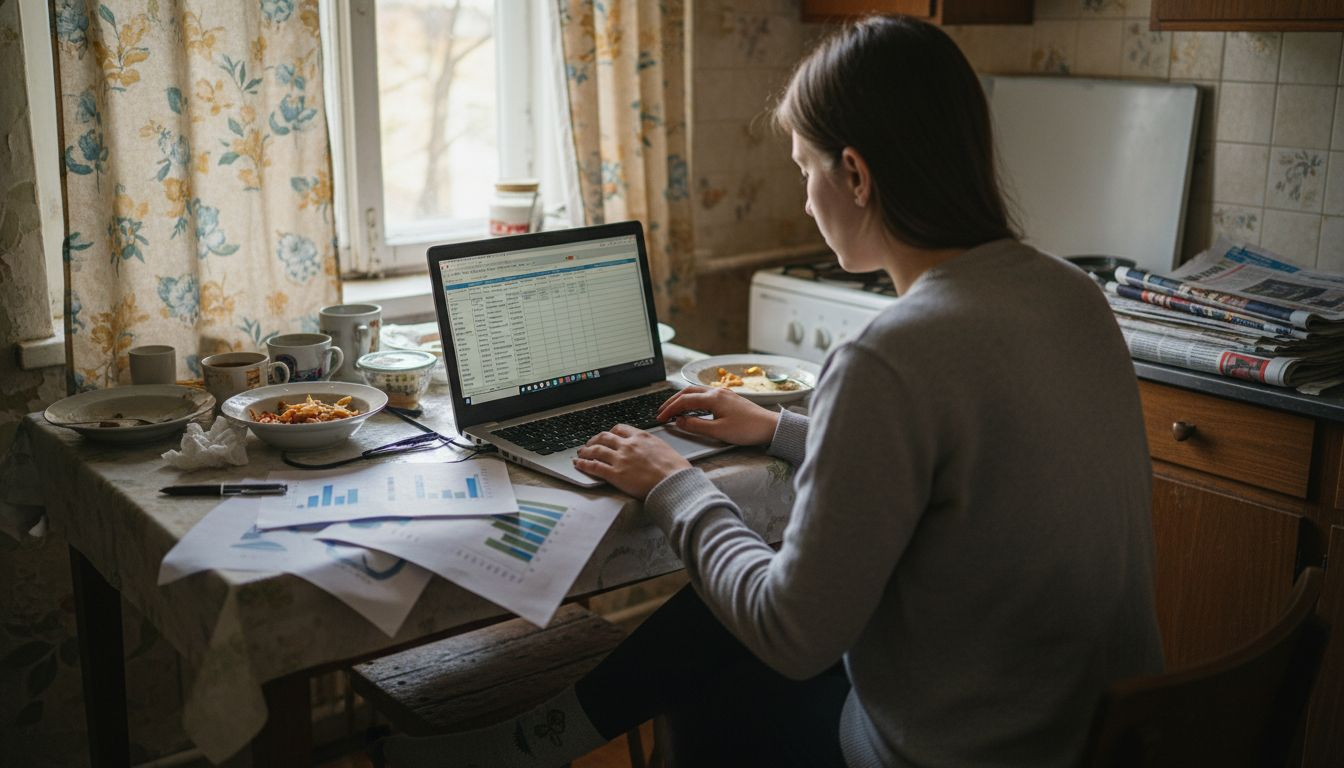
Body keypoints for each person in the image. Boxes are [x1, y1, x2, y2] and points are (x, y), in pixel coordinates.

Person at [382, 14, 1163, 768]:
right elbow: (957, 474)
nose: (803, 198)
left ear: (854, 174)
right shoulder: (1072, 296)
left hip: (956, 752)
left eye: (802, 171)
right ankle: (536, 742)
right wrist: (782, 430)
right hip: (1097, 735)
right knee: (734, 592)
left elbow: (792, 632)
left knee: (727, 633)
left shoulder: (888, 355)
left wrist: (677, 485)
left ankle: (528, 744)